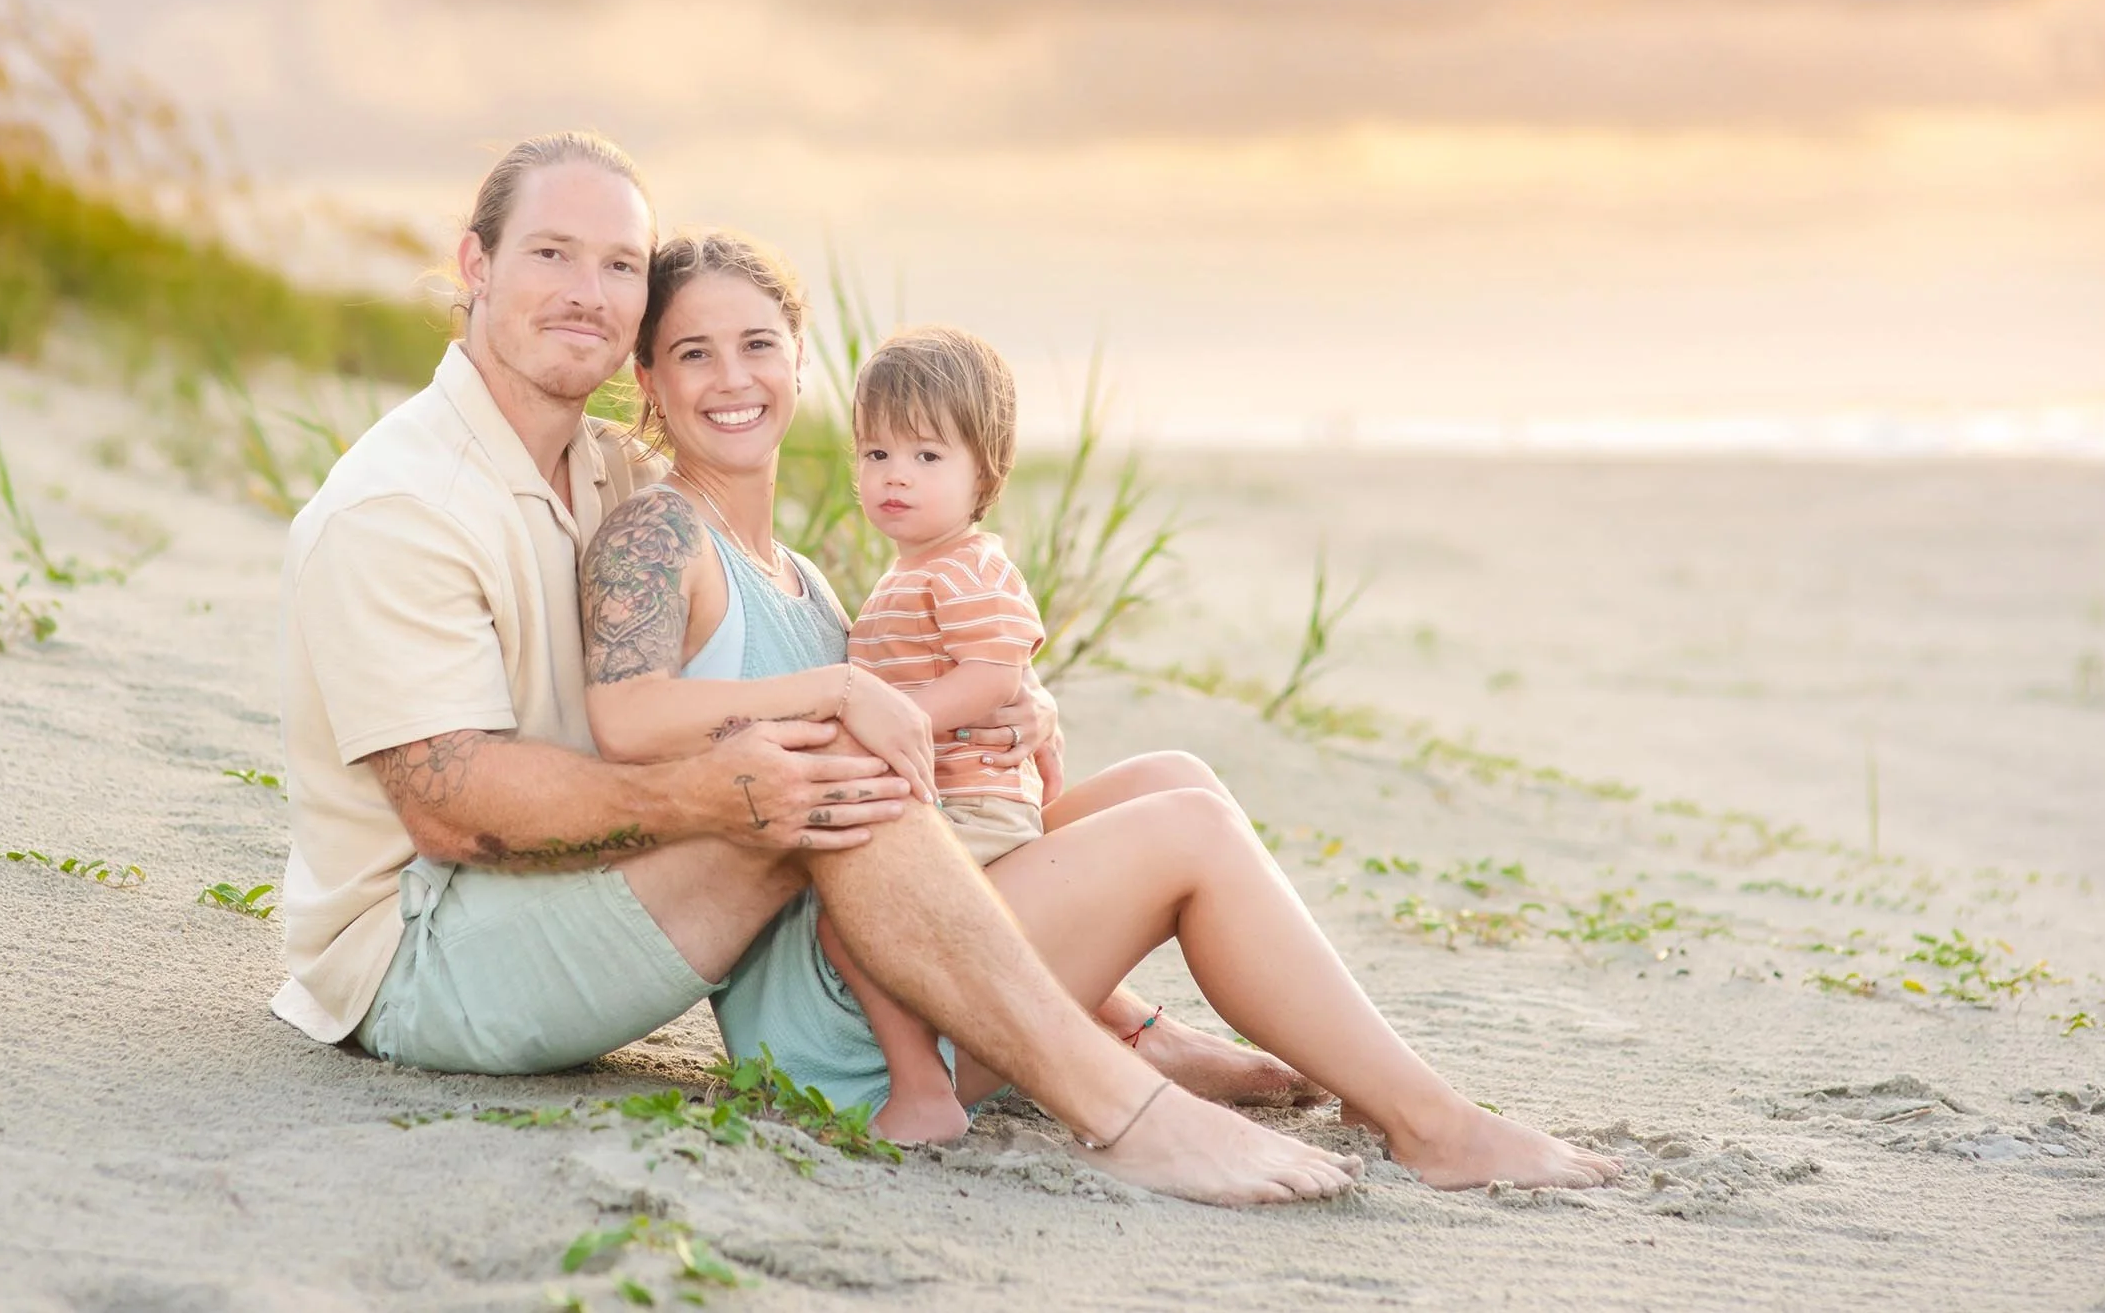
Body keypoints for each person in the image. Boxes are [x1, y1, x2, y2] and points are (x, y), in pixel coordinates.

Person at [272, 132, 1365, 1206]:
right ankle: (1124, 1110)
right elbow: (451, 812)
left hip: (576, 892)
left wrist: (990, 705)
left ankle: (1126, 1033)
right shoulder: (400, 506)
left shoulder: (603, 473)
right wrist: (718, 786)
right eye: (550, 253)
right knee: (815, 770)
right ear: (475, 265)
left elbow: (727, 559)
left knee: (1112, 779)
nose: (587, 291)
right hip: (427, 952)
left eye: (617, 266)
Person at [580, 229, 1622, 1194]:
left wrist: (1011, 715)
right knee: (1190, 834)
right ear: (649, 381)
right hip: (840, 1004)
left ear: (798, 364)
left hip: (917, 929)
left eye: (756, 344)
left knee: (1177, 778)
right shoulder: (659, 535)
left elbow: (910, 738)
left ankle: (1249, 1054)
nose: (731, 379)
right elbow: (627, 720)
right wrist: (849, 692)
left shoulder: (802, 573)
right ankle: (1432, 1125)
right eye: (692, 353)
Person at [813, 323, 1059, 1142]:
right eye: (876, 455)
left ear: (983, 471)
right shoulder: (912, 570)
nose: (895, 477)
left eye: (926, 457)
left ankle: (922, 1088)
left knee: (854, 923)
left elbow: (996, 677)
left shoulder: (969, 567)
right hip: (949, 801)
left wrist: (895, 721)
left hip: (975, 806)